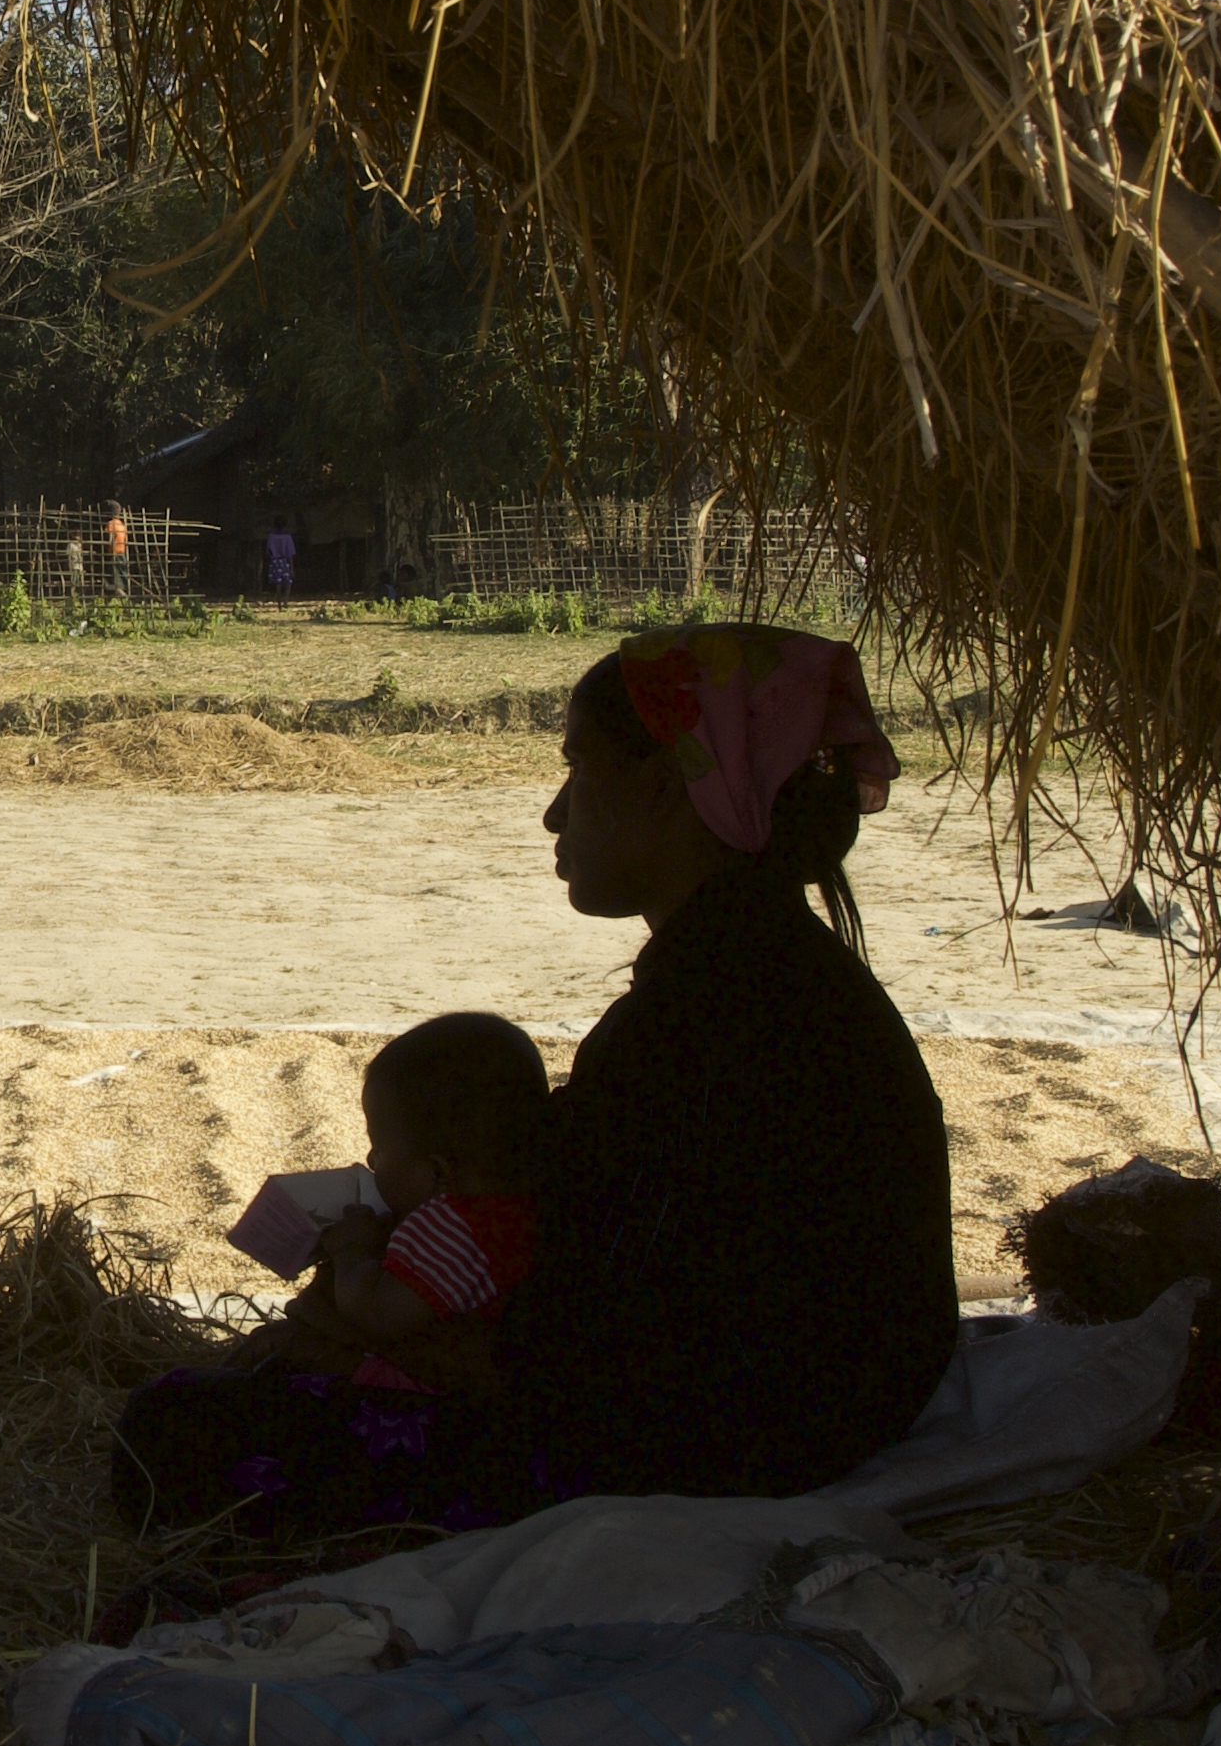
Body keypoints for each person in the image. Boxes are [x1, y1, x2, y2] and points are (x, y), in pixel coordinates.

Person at [115, 625, 958, 1550]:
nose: (556, 816)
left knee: (174, 1434)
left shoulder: (698, 1027)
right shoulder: (771, 975)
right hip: (815, 1417)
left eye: (578, 771)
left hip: (731, 1454)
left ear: (665, 787)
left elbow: (589, 1363)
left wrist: (370, 1334)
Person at [284, 1010, 549, 1384]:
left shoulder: (453, 1223)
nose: (372, 1160)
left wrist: (352, 1252)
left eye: (379, 1147)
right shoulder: (521, 1207)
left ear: (438, 1173)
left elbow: (379, 1313)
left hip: (427, 1403)